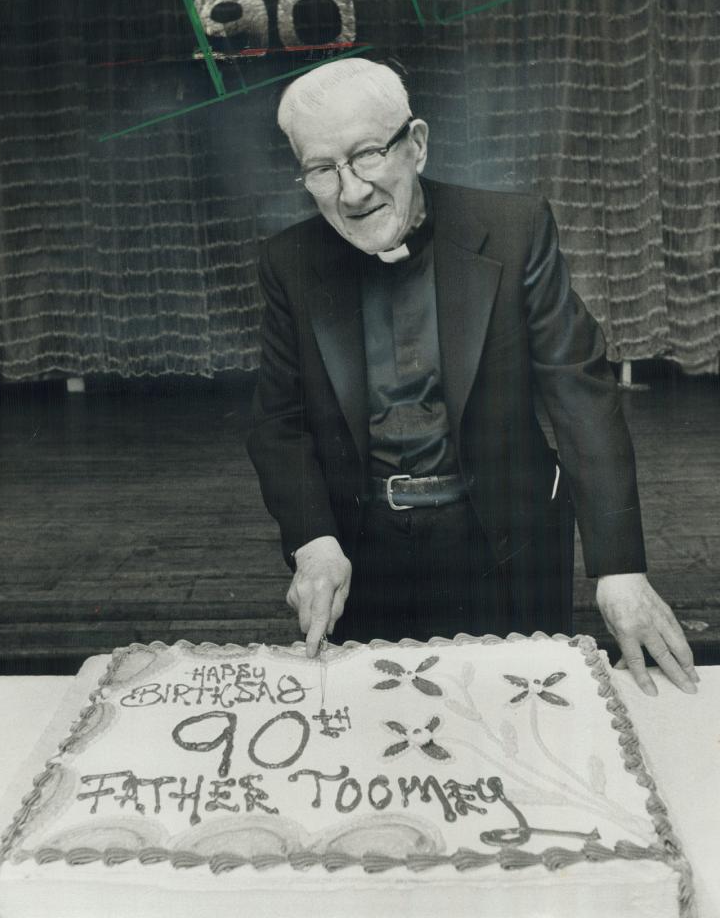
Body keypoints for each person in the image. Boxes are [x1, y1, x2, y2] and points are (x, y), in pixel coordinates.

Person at [246, 57, 697, 698]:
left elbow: (581, 394)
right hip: (362, 552)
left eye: (369, 154)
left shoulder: (515, 230)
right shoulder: (289, 261)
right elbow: (278, 422)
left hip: (508, 547)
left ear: (417, 145)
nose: (351, 192)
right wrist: (314, 542)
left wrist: (619, 568)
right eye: (323, 169)